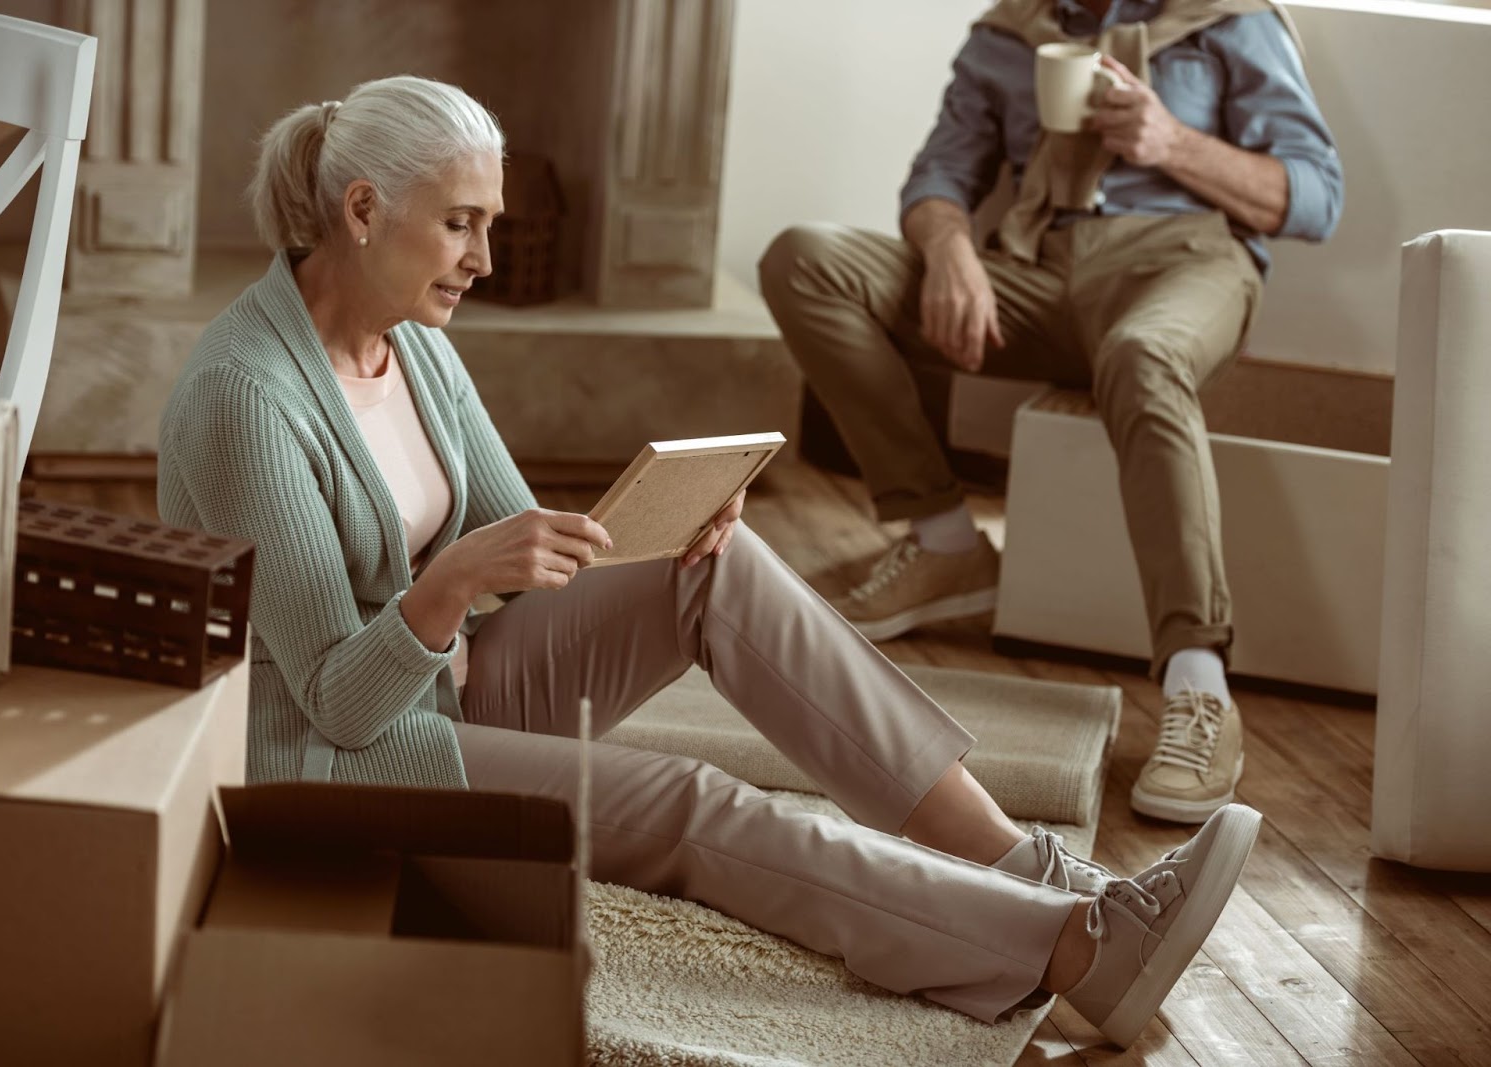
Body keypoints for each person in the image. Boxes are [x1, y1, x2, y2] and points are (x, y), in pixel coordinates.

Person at [157, 75, 1262, 1049]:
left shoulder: (418, 346)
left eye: (489, 223)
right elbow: (338, 706)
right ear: (362, 210)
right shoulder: (246, 394)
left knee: (714, 569)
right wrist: (448, 585)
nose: (486, 259)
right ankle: (1073, 948)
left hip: (444, 692)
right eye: (460, 224)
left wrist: (661, 534)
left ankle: (1024, 865)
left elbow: (527, 532)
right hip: (323, 764)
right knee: (696, 798)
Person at [758, 0, 1343, 824]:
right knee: (804, 259)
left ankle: (1198, 683)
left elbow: (1316, 195)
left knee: (1144, 354)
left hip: (1182, 261)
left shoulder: (1228, 20)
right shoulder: (1007, 33)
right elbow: (938, 176)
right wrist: (951, 248)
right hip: (1033, 269)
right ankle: (946, 540)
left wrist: (1169, 140)